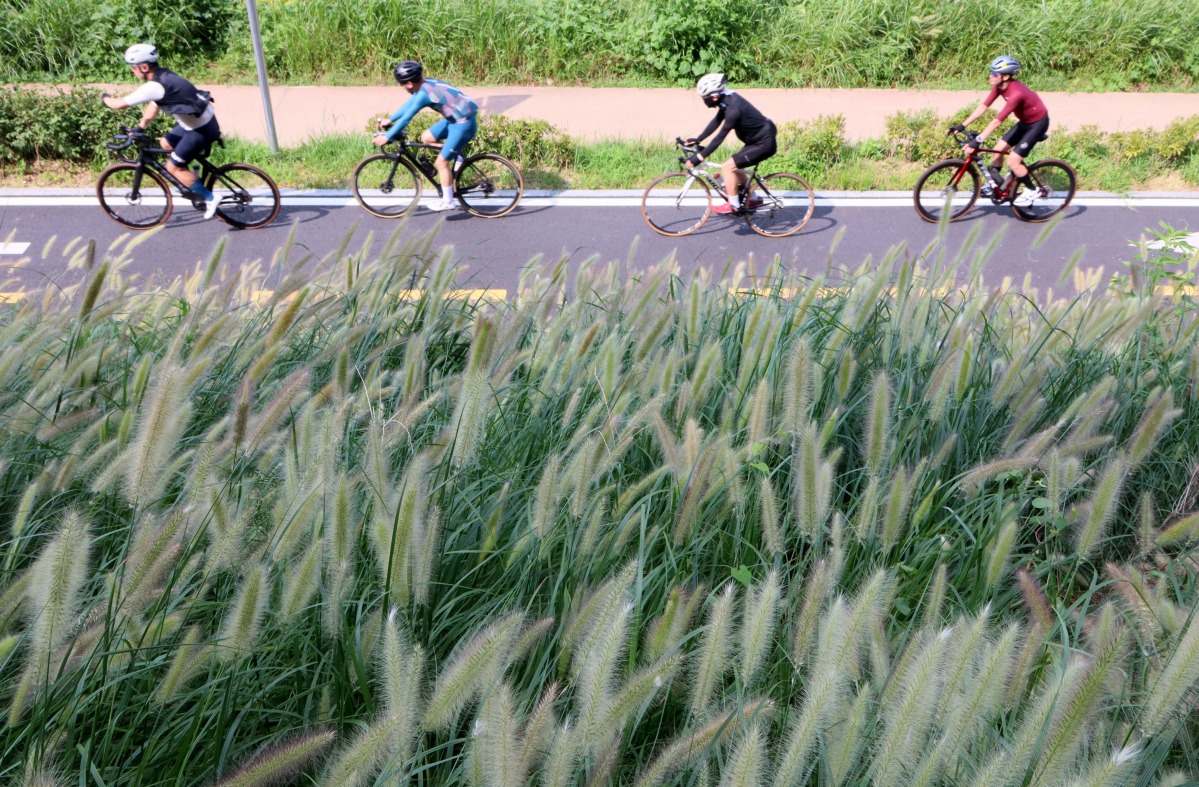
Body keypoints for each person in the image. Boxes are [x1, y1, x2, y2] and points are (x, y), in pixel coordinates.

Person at [101, 44, 221, 219]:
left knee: (172, 167)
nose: (132, 71)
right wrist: (141, 127)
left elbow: (118, 104)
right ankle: (189, 181)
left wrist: (104, 98)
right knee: (165, 143)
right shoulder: (163, 75)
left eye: (133, 68)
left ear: (144, 67)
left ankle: (210, 198)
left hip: (200, 129)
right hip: (200, 121)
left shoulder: (154, 86)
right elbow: (154, 105)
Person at [375, 61, 479, 213]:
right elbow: (408, 105)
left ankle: (448, 201)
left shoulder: (424, 94)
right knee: (427, 137)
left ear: (409, 83)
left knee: (441, 163)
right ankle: (456, 156)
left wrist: (387, 137)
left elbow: (406, 118)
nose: (401, 86)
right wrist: (390, 120)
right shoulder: (424, 84)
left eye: (402, 84)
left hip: (463, 124)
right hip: (455, 119)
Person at [951, 56, 1050, 206]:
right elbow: (983, 107)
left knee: (1013, 160)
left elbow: (997, 121)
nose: (991, 76)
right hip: (1024, 122)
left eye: (995, 73)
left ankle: (1032, 189)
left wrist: (978, 140)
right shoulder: (999, 86)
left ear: (1006, 76)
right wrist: (962, 125)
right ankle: (997, 186)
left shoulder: (1017, 93)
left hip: (1038, 124)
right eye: (991, 72)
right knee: (998, 149)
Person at [684, 74, 777, 214]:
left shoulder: (733, 108)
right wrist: (699, 139)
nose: (704, 101)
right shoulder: (725, 99)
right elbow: (717, 121)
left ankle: (734, 205)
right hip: (756, 139)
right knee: (737, 167)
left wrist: (700, 157)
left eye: (705, 99)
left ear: (714, 97)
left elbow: (720, 136)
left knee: (727, 167)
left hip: (764, 143)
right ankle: (753, 198)